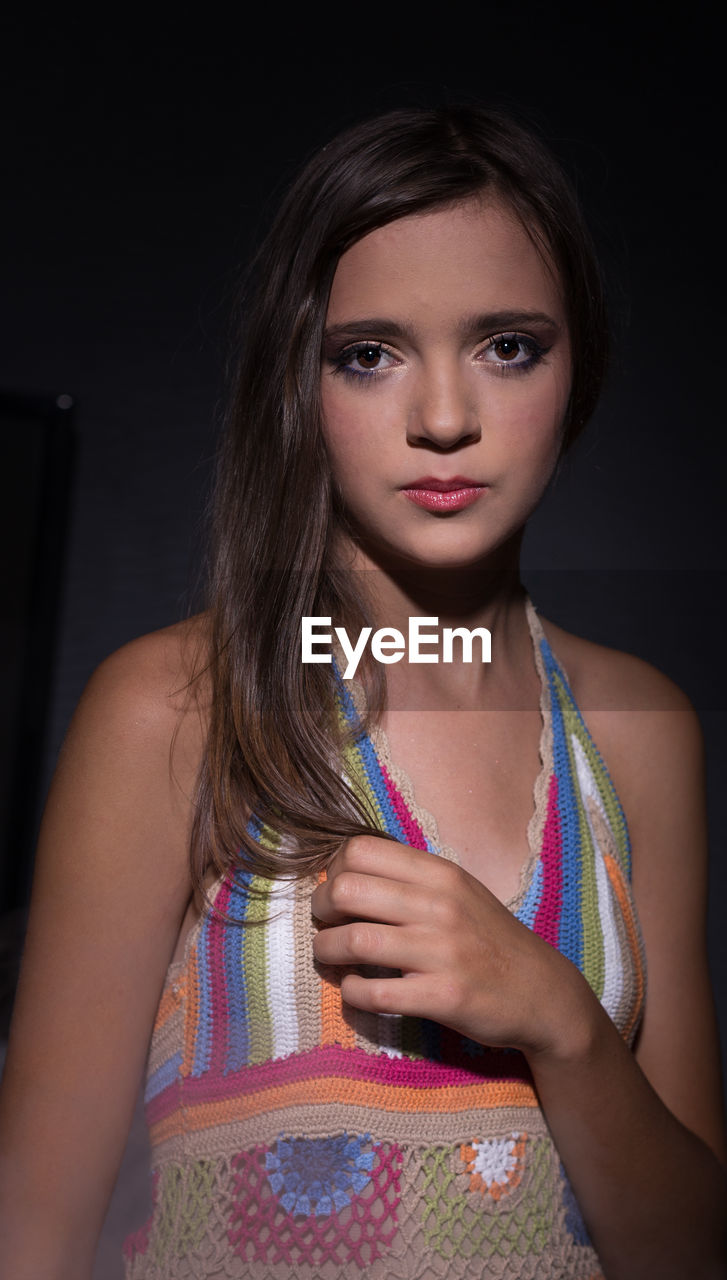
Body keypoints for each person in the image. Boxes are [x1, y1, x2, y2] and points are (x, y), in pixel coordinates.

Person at [0, 106, 724, 1280]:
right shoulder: (176, 713)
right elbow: (31, 1229)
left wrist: (563, 1021)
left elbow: (694, 1252)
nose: (444, 418)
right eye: (370, 353)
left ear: (578, 361)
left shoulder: (637, 730)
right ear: (301, 377)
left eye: (508, 346)